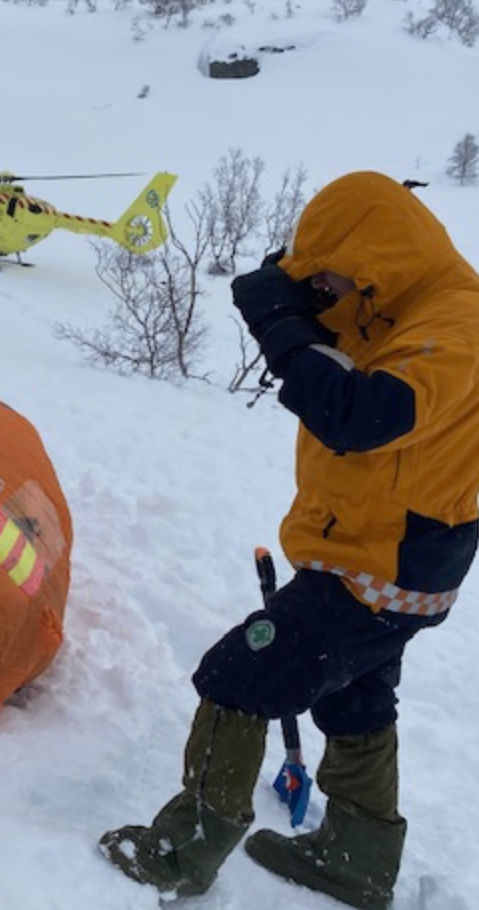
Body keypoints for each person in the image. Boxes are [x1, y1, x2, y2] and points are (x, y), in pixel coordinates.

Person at [99, 171, 479, 910]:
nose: (330, 292)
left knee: (241, 675)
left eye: (335, 276)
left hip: (380, 569)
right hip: (380, 558)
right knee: (357, 698)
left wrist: (282, 324)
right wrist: (298, 292)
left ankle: (180, 852)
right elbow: (340, 346)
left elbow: (359, 413)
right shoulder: (394, 304)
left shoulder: (458, 325)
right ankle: (355, 862)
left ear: (374, 257)